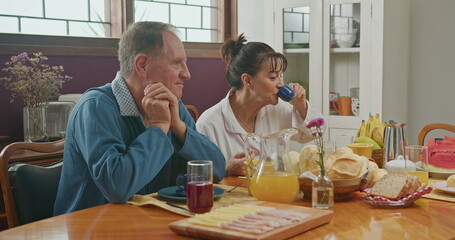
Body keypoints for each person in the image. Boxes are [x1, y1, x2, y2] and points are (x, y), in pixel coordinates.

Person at [54, 22, 226, 215]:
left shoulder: (173, 106)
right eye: (176, 63)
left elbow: (217, 169)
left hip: (150, 222)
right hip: (91, 229)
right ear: (142, 65)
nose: (186, 74)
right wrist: (160, 127)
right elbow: (118, 187)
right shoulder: (95, 106)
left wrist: (178, 126)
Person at [196, 34, 323, 176]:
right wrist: (225, 171)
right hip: (233, 197)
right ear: (248, 81)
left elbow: (317, 132)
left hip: (269, 193)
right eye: (273, 77)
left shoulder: (275, 108)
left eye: (281, 75)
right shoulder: (209, 124)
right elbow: (199, 178)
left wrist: (301, 106)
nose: (281, 84)